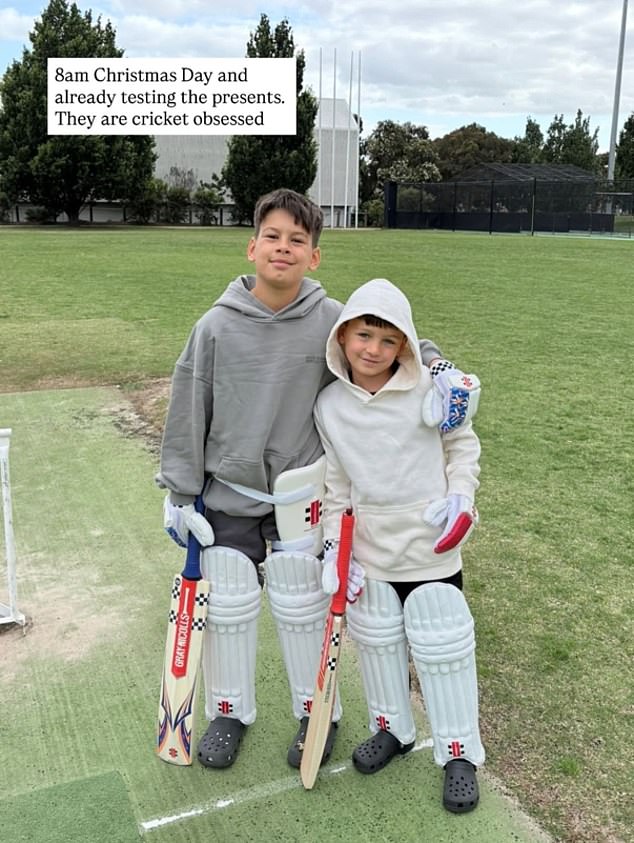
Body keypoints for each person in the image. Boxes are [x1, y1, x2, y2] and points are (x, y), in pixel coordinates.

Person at [157, 188, 480, 773]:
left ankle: (316, 712)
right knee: (228, 600)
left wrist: (441, 369)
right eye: (273, 238)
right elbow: (188, 407)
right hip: (229, 489)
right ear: (252, 245)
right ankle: (228, 711)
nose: (284, 249)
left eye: (298, 241)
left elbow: (404, 338)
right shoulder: (215, 326)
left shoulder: (333, 321)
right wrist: (180, 493)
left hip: (304, 491)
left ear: (314, 257)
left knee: (302, 601)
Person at [313, 277, 484, 813]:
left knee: (442, 648)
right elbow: (336, 486)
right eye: (363, 336)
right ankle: (392, 728)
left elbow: (463, 445)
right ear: (342, 337)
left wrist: (461, 496)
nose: (373, 350)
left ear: (405, 346)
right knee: (379, 645)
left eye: (388, 341)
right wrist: (333, 549)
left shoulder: (429, 393)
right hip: (370, 553)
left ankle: (458, 752)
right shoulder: (329, 405)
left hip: (431, 545)